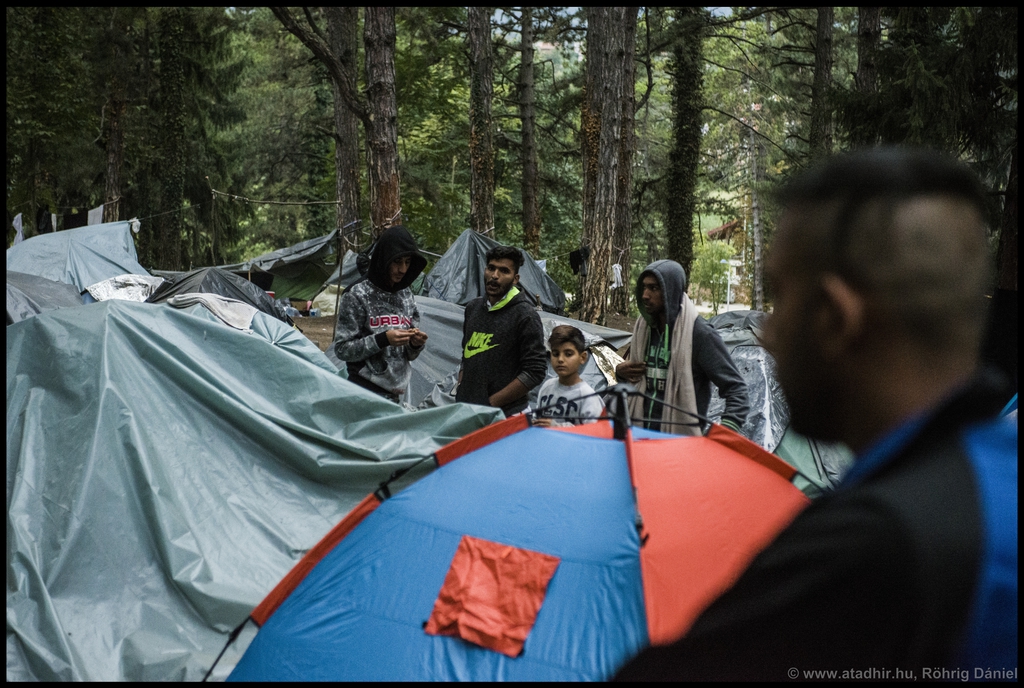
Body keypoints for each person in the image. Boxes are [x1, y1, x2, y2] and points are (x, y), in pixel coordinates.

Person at [615, 148, 1018, 680]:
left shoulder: (872, 551)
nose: (769, 333)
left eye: (783, 298)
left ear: (834, 316)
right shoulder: (992, 477)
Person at [615, 260, 749, 435]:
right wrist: (621, 374)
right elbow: (639, 383)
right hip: (638, 437)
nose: (645, 295)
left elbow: (737, 390)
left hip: (681, 444)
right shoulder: (644, 329)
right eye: (644, 287)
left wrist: (722, 435)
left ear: (671, 291)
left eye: (654, 288)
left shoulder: (700, 334)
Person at [333, 225, 428, 402]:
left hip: (396, 394)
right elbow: (342, 349)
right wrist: (383, 339)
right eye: (397, 262)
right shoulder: (356, 294)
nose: (403, 269)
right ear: (384, 258)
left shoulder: (406, 295)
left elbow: (410, 355)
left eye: (407, 262)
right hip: (362, 393)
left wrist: (415, 344)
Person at [455, 245, 547, 416]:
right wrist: (461, 388)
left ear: (515, 278)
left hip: (506, 415)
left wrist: (491, 403)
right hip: (468, 412)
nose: (494, 276)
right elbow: (466, 353)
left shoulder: (525, 315)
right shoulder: (473, 308)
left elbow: (535, 371)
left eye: (504, 271)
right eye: (491, 268)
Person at [533, 325, 606, 426]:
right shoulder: (547, 387)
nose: (560, 359)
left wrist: (558, 428)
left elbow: (595, 435)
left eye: (568, 354)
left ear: (583, 357)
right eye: (555, 354)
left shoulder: (588, 397)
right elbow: (537, 419)